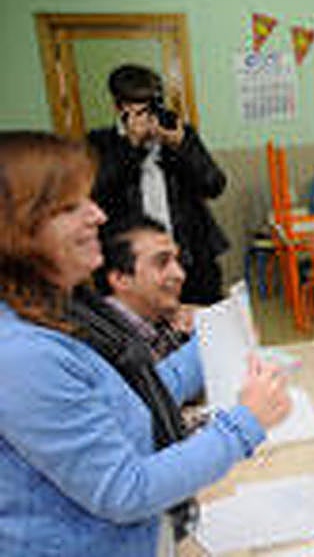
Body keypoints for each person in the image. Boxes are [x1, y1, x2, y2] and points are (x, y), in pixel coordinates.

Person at [0, 131, 291, 556]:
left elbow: (133, 396)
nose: (99, 215)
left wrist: (218, 335)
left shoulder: (64, 307)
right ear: (17, 231)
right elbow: (125, 491)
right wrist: (244, 424)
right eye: (70, 207)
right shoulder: (22, 355)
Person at [89, 64, 229, 305]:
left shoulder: (178, 134)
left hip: (191, 257)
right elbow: (98, 195)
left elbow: (214, 185)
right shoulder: (100, 143)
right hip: (133, 266)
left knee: (202, 321)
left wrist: (181, 147)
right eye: (140, 108)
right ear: (120, 107)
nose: (149, 116)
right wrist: (131, 147)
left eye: (152, 106)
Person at [96, 215, 191, 359]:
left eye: (178, 261)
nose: (179, 274)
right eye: (162, 262)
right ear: (121, 278)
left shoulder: (164, 329)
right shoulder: (105, 343)